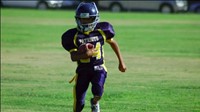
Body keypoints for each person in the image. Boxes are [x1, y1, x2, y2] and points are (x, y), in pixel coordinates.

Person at [61, 2, 126, 112]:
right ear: (78, 19)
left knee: (98, 91)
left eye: (89, 19)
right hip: (82, 70)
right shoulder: (73, 35)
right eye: (83, 19)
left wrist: (121, 62)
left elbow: (113, 43)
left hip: (99, 67)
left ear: (95, 19)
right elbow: (73, 57)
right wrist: (85, 55)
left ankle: (94, 102)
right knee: (79, 101)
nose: (86, 22)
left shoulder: (102, 30)